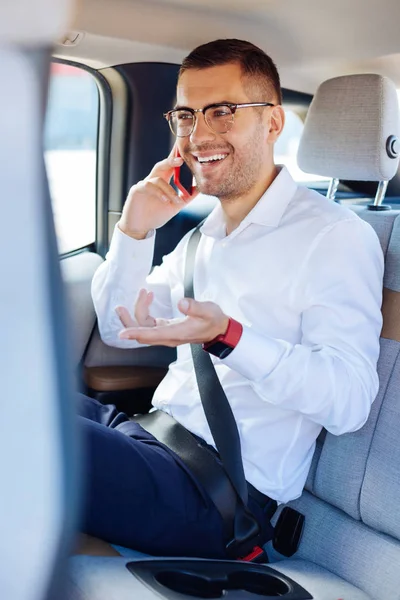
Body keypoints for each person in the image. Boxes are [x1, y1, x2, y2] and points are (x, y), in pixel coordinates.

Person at [79, 38, 383, 558]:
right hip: (147, 437)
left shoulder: (335, 236)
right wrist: (133, 230)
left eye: (222, 112)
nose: (198, 135)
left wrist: (230, 337)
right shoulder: (203, 235)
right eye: (186, 115)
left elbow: (350, 401)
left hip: (212, 494)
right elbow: (119, 327)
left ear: (273, 122)